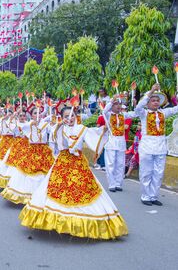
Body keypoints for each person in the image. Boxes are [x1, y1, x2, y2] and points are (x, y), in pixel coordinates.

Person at [19, 106, 127, 240]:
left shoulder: (82, 129)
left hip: (78, 163)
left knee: (83, 190)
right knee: (58, 191)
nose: (69, 119)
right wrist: (59, 127)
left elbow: (94, 135)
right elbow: (59, 143)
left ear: (75, 116)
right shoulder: (59, 128)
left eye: (71, 116)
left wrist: (102, 131)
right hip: (63, 163)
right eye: (66, 116)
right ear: (62, 118)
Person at [134, 83, 178, 206]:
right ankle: (145, 196)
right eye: (153, 100)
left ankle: (153, 196)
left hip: (160, 147)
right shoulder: (144, 113)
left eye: (157, 100)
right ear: (148, 103)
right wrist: (151, 91)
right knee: (146, 172)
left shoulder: (164, 113)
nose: (155, 102)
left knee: (158, 173)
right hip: (147, 146)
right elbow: (138, 107)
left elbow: (176, 109)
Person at [102, 97, 136, 192]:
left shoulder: (123, 115)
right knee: (111, 164)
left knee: (120, 164)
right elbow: (104, 111)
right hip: (111, 142)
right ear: (112, 105)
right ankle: (112, 184)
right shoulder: (108, 114)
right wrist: (111, 101)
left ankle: (118, 183)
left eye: (119, 104)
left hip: (121, 142)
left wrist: (135, 104)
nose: (118, 106)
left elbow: (135, 113)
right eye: (116, 104)